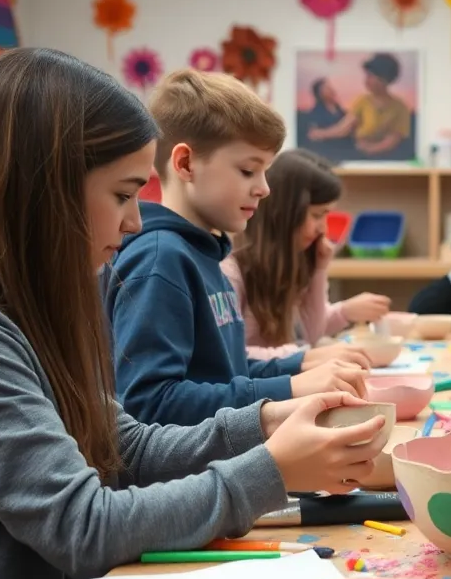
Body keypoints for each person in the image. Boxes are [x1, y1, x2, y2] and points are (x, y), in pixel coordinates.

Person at [0, 48, 388, 579]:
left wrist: (267, 424)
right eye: (124, 195)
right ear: (42, 190)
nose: (135, 223)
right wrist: (270, 469)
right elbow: (83, 526)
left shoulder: (18, 307)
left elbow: (123, 440)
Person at [102, 69, 366, 426]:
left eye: (265, 172)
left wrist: (300, 365)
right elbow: (149, 404)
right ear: (185, 163)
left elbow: (226, 372)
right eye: (247, 170)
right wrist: (288, 386)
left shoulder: (204, 252)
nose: (264, 188)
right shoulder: (161, 259)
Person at [222, 149, 392, 359]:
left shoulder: (293, 261)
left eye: (326, 216)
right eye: (316, 215)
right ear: (284, 214)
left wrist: (319, 269)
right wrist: (303, 355)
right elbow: (232, 357)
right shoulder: (232, 272)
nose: (323, 229)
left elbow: (311, 334)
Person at [309, 53, 413, 158]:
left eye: (370, 76)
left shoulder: (400, 108)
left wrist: (368, 149)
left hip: (387, 159)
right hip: (358, 155)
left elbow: (392, 140)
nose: (366, 80)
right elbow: (344, 128)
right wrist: (320, 133)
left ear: (383, 78)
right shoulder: (362, 101)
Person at [297, 78, 352, 159]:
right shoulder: (314, 114)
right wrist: (338, 132)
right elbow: (313, 135)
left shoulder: (342, 112)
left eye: (330, 87)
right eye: (327, 88)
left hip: (345, 152)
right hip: (326, 154)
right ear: (319, 93)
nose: (331, 90)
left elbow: (347, 131)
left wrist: (323, 133)